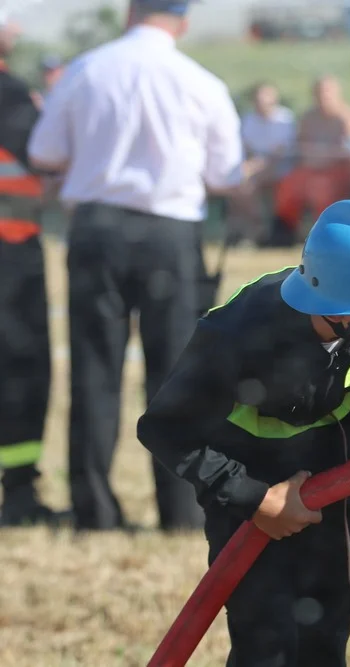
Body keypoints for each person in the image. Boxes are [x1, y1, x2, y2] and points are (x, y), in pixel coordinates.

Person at [137, 199, 350, 667]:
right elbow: (164, 429)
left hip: (337, 481)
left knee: (325, 641)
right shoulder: (238, 334)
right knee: (265, 645)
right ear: (342, 312)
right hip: (246, 489)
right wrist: (252, 498)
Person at [27, 0, 245, 532]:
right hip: (169, 234)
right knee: (175, 373)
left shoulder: (84, 70)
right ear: (183, 21)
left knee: (94, 369)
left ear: (130, 12)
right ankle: (178, 512)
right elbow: (225, 175)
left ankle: (94, 510)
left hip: (97, 230)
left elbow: (45, 153)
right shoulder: (201, 82)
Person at [0, 18, 62, 526]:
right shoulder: (13, 95)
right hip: (9, 251)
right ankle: (18, 493)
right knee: (19, 369)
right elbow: (46, 159)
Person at [271, 76, 350, 245]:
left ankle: (324, 236)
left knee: (321, 191)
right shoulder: (308, 118)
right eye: (319, 93)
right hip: (309, 168)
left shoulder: (346, 118)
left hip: (336, 169)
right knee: (288, 185)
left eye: (327, 93)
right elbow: (299, 145)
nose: (323, 97)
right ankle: (285, 232)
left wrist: (323, 155)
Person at [229, 81, 297, 245]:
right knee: (239, 185)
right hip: (254, 167)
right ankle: (251, 229)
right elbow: (246, 147)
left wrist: (252, 166)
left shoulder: (285, 119)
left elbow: (279, 154)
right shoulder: (249, 119)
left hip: (281, 167)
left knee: (246, 185)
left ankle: (256, 230)